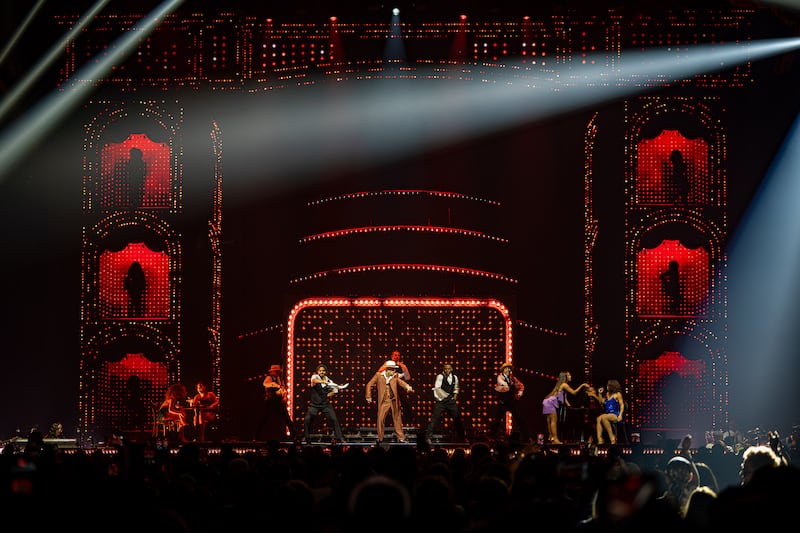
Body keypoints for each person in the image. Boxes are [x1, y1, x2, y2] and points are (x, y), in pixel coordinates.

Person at [366, 359, 414, 444]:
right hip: (384, 401)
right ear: (388, 369)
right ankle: (380, 438)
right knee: (380, 419)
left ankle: (401, 438)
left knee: (397, 419)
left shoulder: (394, 376)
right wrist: (368, 396)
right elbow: (369, 384)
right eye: (393, 369)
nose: (394, 371)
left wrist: (407, 386)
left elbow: (401, 382)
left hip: (393, 401)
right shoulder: (379, 375)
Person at [541, 371, 589, 444]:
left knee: (549, 421)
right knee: (553, 421)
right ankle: (555, 440)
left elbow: (563, 398)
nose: (570, 377)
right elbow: (574, 392)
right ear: (565, 377)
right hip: (550, 403)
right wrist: (582, 385)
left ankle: (551, 438)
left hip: (547, 401)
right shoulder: (564, 384)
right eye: (569, 375)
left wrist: (569, 405)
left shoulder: (561, 385)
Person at [303, 364, 346, 444]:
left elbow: (335, 390)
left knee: (334, 419)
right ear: (318, 372)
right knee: (307, 420)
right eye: (320, 371)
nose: (321, 372)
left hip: (325, 405)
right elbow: (314, 381)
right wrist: (324, 382)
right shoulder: (315, 377)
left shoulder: (329, 381)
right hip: (314, 404)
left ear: (326, 372)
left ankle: (339, 437)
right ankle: (307, 438)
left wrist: (329, 394)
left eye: (323, 371)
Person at [425, 363, 467, 444]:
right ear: (443, 369)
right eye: (445, 369)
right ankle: (428, 437)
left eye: (449, 369)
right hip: (441, 401)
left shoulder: (454, 377)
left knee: (457, 419)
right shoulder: (440, 376)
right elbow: (437, 388)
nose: (447, 370)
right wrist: (445, 397)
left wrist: (455, 397)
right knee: (434, 419)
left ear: (451, 369)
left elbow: (456, 388)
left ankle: (462, 438)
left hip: (450, 402)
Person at [488, 362, 530, 443]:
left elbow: (521, 386)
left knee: (519, 419)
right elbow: (503, 386)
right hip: (503, 402)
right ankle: (491, 436)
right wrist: (512, 386)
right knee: (497, 420)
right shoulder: (500, 377)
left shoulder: (513, 379)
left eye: (509, 368)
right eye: (506, 368)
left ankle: (526, 437)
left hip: (512, 402)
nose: (508, 370)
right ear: (503, 369)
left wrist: (519, 394)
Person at [254, 364, 294, 443]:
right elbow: (265, 384)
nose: (278, 373)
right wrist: (276, 385)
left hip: (278, 401)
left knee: (286, 418)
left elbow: (283, 388)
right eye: (277, 371)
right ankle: (257, 436)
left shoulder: (280, 379)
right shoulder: (269, 378)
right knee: (264, 418)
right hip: (270, 401)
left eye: (278, 371)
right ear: (273, 371)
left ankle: (294, 435)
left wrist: (284, 395)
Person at [379, 350, 414, 426]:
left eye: (398, 355)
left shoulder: (402, 366)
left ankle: (406, 423)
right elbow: (380, 372)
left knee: (404, 405)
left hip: (399, 388)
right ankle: (386, 423)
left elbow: (407, 377)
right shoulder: (387, 364)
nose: (397, 357)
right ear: (392, 356)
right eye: (395, 355)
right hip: (389, 388)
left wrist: (402, 366)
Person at [588, 379, 624, 445]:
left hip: (615, 414)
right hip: (607, 414)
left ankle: (612, 438)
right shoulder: (607, 394)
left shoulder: (618, 394)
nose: (606, 386)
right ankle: (600, 439)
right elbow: (601, 401)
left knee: (603, 417)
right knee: (598, 418)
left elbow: (622, 405)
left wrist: (620, 415)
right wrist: (600, 393)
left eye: (608, 385)